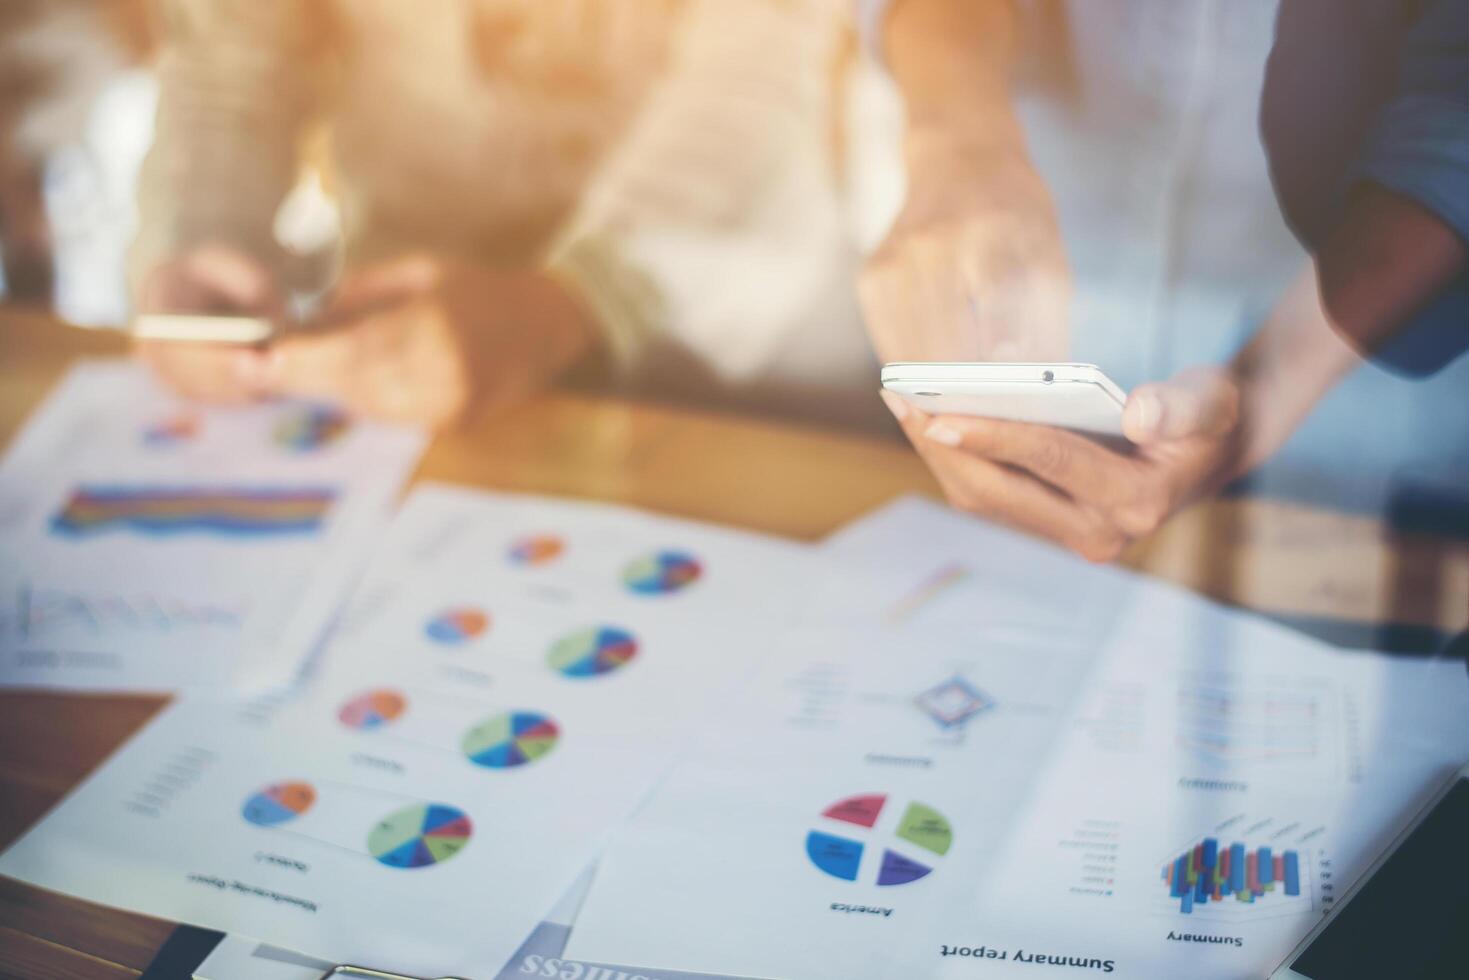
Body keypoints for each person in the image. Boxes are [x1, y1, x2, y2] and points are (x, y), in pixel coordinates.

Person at [861, 0, 1468, 561]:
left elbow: (1456, 116)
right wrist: (960, 136)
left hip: (1363, 403)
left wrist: (1271, 378)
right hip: (1022, 307)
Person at [132, 0, 902, 430]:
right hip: (401, 358)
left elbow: (759, 69)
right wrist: (204, 240)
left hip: (730, 351)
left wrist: (573, 298)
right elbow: (230, 60)